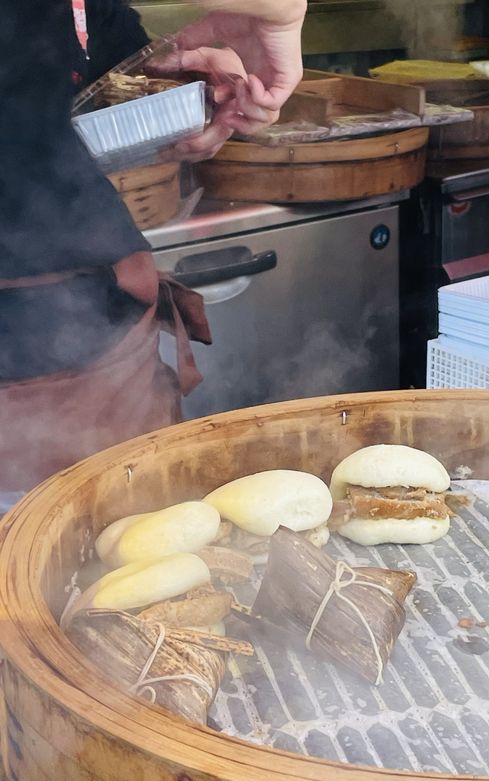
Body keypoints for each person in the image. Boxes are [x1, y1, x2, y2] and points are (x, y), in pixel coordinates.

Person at [0, 0, 305, 496]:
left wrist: (172, 94)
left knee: (127, 540)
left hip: (105, 326)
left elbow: (79, 72)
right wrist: (281, 10)